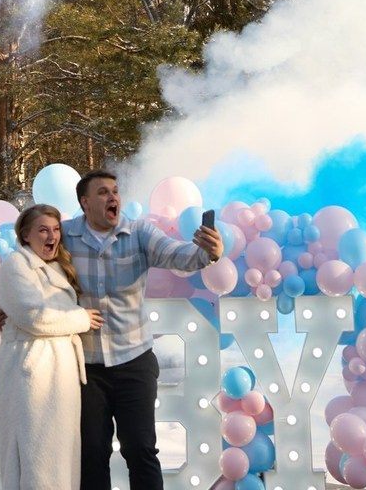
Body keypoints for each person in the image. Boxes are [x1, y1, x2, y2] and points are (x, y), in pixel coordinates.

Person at [63, 169, 223, 490]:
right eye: (103, 192)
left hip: (133, 362)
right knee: (91, 453)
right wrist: (5, 300)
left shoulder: (139, 234)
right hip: (85, 370)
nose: (113, 198)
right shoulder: (65, 235)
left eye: (115, 191)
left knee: (140, 449)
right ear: (84, 202)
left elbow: (178, 255)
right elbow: (31, 262)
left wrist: (209, 254)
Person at [0, 204, 104, 490]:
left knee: (58, 458)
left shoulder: (57, 267)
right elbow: (34, 316)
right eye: (43, 229)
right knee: (34, 456)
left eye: (55, 229)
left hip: (61, 375)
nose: (51, 235)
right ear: (26, 235)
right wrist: (80, 318)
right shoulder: (17, 264)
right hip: (31, 373)